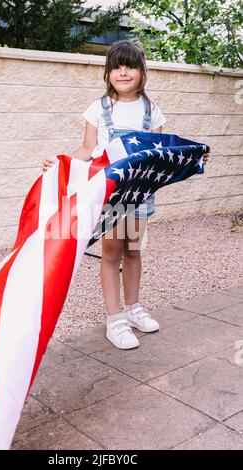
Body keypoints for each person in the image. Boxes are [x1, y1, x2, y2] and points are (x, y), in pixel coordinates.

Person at [42, 40, 210, 350]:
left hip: (140, 195)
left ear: (142, 71)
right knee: (111, 254)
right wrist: (61, 162)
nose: (123, 72)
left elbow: (165, 155)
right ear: (107, 73)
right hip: (110, 194)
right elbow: (87, 149)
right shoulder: (99, 109)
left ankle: (133, 308)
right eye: (116, 66)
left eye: (130, 65)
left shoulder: (152, 111)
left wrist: (193, 159)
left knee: (133, 250)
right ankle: (114, 318)